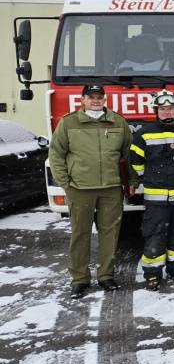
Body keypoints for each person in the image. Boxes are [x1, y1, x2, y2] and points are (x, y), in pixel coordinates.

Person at [49, 84, 134, 299]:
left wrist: (132, 180)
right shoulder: (69, 123)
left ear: (105, 99)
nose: (96, 101)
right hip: (80, 189)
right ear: (83, 99)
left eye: (99, 97)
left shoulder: (118, 121)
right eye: (91, 97)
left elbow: (129, 155)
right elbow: (56, 155)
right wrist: (66, 183)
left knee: (110, 234)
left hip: (111, 189)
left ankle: (106, 275)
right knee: (80, 234)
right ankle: (80, 279)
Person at [130, 90, 174, 291]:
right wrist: (151, 178)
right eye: (163, 109)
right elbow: (136, 162)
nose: (167, 112)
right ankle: (152, 273)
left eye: (170, 108)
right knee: (155, 233)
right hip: (156, 195)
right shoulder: (144, 133)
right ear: (156, 111)